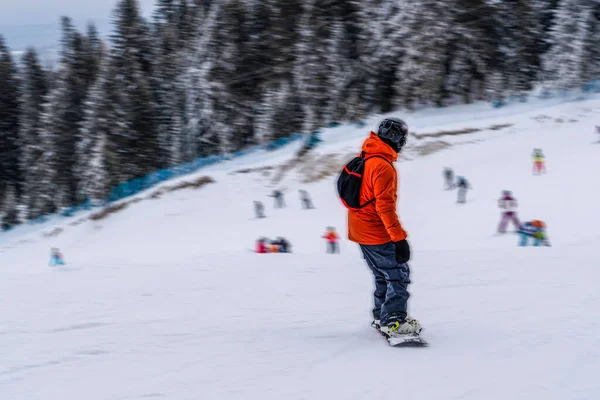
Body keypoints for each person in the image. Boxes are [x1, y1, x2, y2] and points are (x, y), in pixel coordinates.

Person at [347, 117, 421, 338]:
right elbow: (384, 207)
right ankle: (393, 321)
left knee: (382, 274)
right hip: (375, 231)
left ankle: (382, 316)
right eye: (403, 138)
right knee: (398, 274)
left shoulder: (366, 157)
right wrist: (399, 238)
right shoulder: (383, 166)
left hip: (359, 229)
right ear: (396, 138)